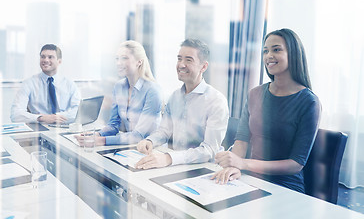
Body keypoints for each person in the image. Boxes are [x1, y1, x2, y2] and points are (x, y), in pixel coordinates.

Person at [212, 28, 321, 193]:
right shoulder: (255, 94)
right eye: (265, 51)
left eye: (276, 49)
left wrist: (243, 163)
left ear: (293, 53)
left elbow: (295, 164)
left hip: (285, 186)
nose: (269, 55)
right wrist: (235, 166)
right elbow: (241, 140)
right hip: (250, 178)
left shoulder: (309, 102)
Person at [135, 39, 229, 169]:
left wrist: (169, 158)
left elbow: (209, 150)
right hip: (176, 165)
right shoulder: (174, 97)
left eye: (188, 60)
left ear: (204, 66)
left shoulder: (216, 101)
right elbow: (164, 131)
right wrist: (150, 141)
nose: (181, 64)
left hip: (205, 170)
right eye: (179, 59)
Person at [76, 40, 163, 146]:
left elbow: (138, 135)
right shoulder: (118, 87)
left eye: (124, 58)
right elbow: (113, 125)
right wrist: (97, 135)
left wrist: (101, 141)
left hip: (152, 149)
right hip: (131, 146)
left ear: (139, 62)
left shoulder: (153, 91)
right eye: (117, 58)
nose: (118, 63)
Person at [11, 44, 80, 124]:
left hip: (65, 127)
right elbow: (15, 114)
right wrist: (41, 118)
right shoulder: (28, 83)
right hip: (40, 129)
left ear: (59, 61)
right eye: (43, 57)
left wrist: (56, 117)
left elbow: (78, 111)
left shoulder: (70, 84)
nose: (45, 60)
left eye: (50, 57)